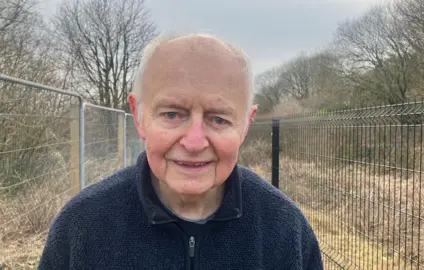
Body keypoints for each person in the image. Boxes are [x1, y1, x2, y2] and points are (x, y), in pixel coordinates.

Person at [38, 33, 324, 269]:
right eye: (173, 114)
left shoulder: (285, 230)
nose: (194, 142)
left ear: (245, 125)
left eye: (218, 119)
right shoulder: (82, 227)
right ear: (139, 116)